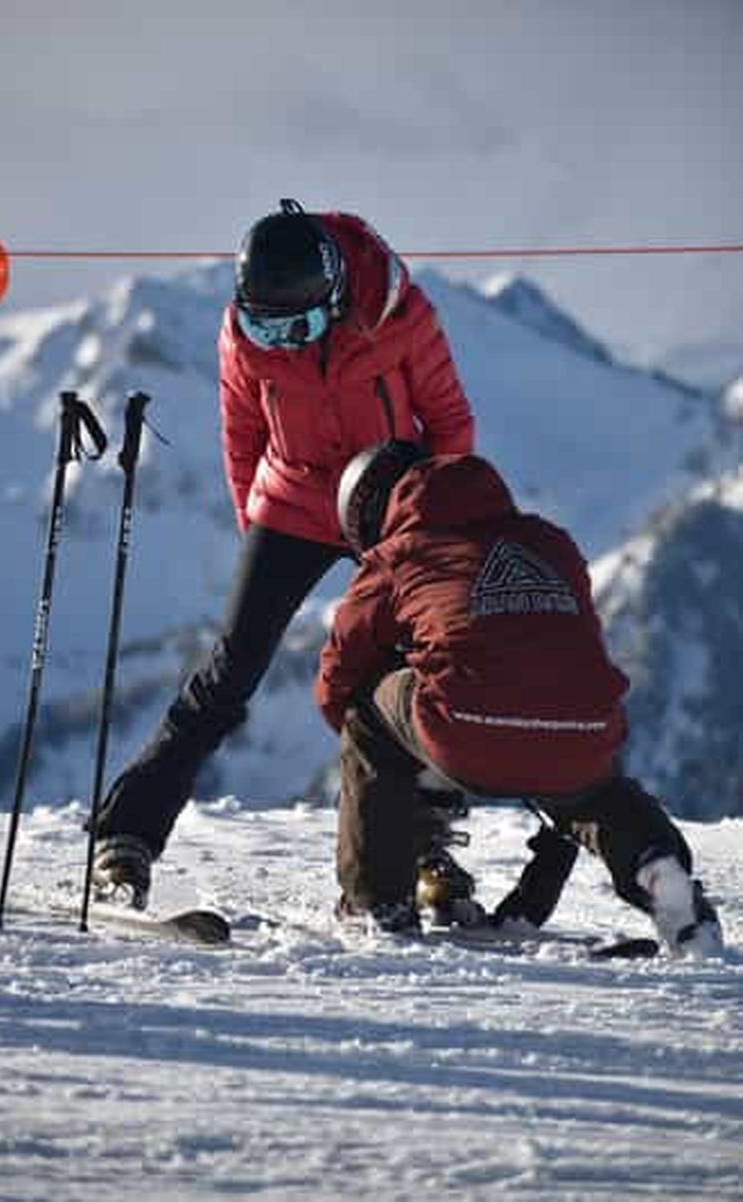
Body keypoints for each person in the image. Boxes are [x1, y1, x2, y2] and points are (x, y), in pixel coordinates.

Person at [90, 199, 475, 909]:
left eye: (297, 326)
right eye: (267, 326)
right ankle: (126, 836)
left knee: (407, 674)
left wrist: (436, 524)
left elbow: (449, 421)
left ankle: (426, 855)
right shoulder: (244, 338)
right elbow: (242, 437)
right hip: (293, 501)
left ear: (334, 295)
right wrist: (255, 536)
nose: (284, 342)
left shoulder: (400, 318)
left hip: (391, 500)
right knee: (230, 670)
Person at [314, 441, 724, 957]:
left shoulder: (399, 553)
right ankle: (657, 869)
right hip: (584, 727)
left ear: (373, 513)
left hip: (462, 726)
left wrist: (391, 757)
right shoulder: (549, 542)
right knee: (591, 792)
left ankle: (378, 906)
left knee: (367, 713)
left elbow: (339, 671)